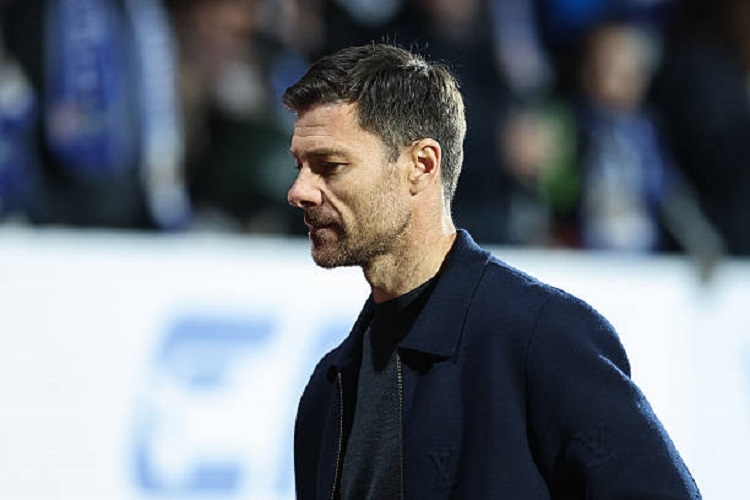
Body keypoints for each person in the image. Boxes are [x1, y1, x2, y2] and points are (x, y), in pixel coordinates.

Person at [283, 43, 700, 499]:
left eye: (330, 166)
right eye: (300, 166)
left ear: (421, 165)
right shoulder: (329, 389)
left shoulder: (542, 336)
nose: (299, 191)